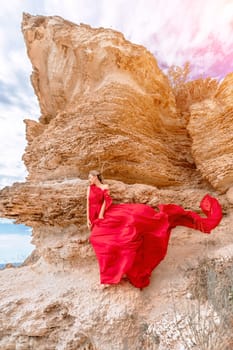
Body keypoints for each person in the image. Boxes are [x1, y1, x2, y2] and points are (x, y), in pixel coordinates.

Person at [87, 170, 222, 289]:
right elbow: (88, 203)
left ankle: (109, 278)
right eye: (89, 177)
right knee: (100, 239)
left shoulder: (104, 187)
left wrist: (100, 215)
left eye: (91, 177)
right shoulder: (90, 188)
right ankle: (110, 276)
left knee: (118, 236)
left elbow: (106, 202)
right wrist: (89, 219)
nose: (89, 179)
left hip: (104, 213)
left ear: (96, 177)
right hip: (95, 216)